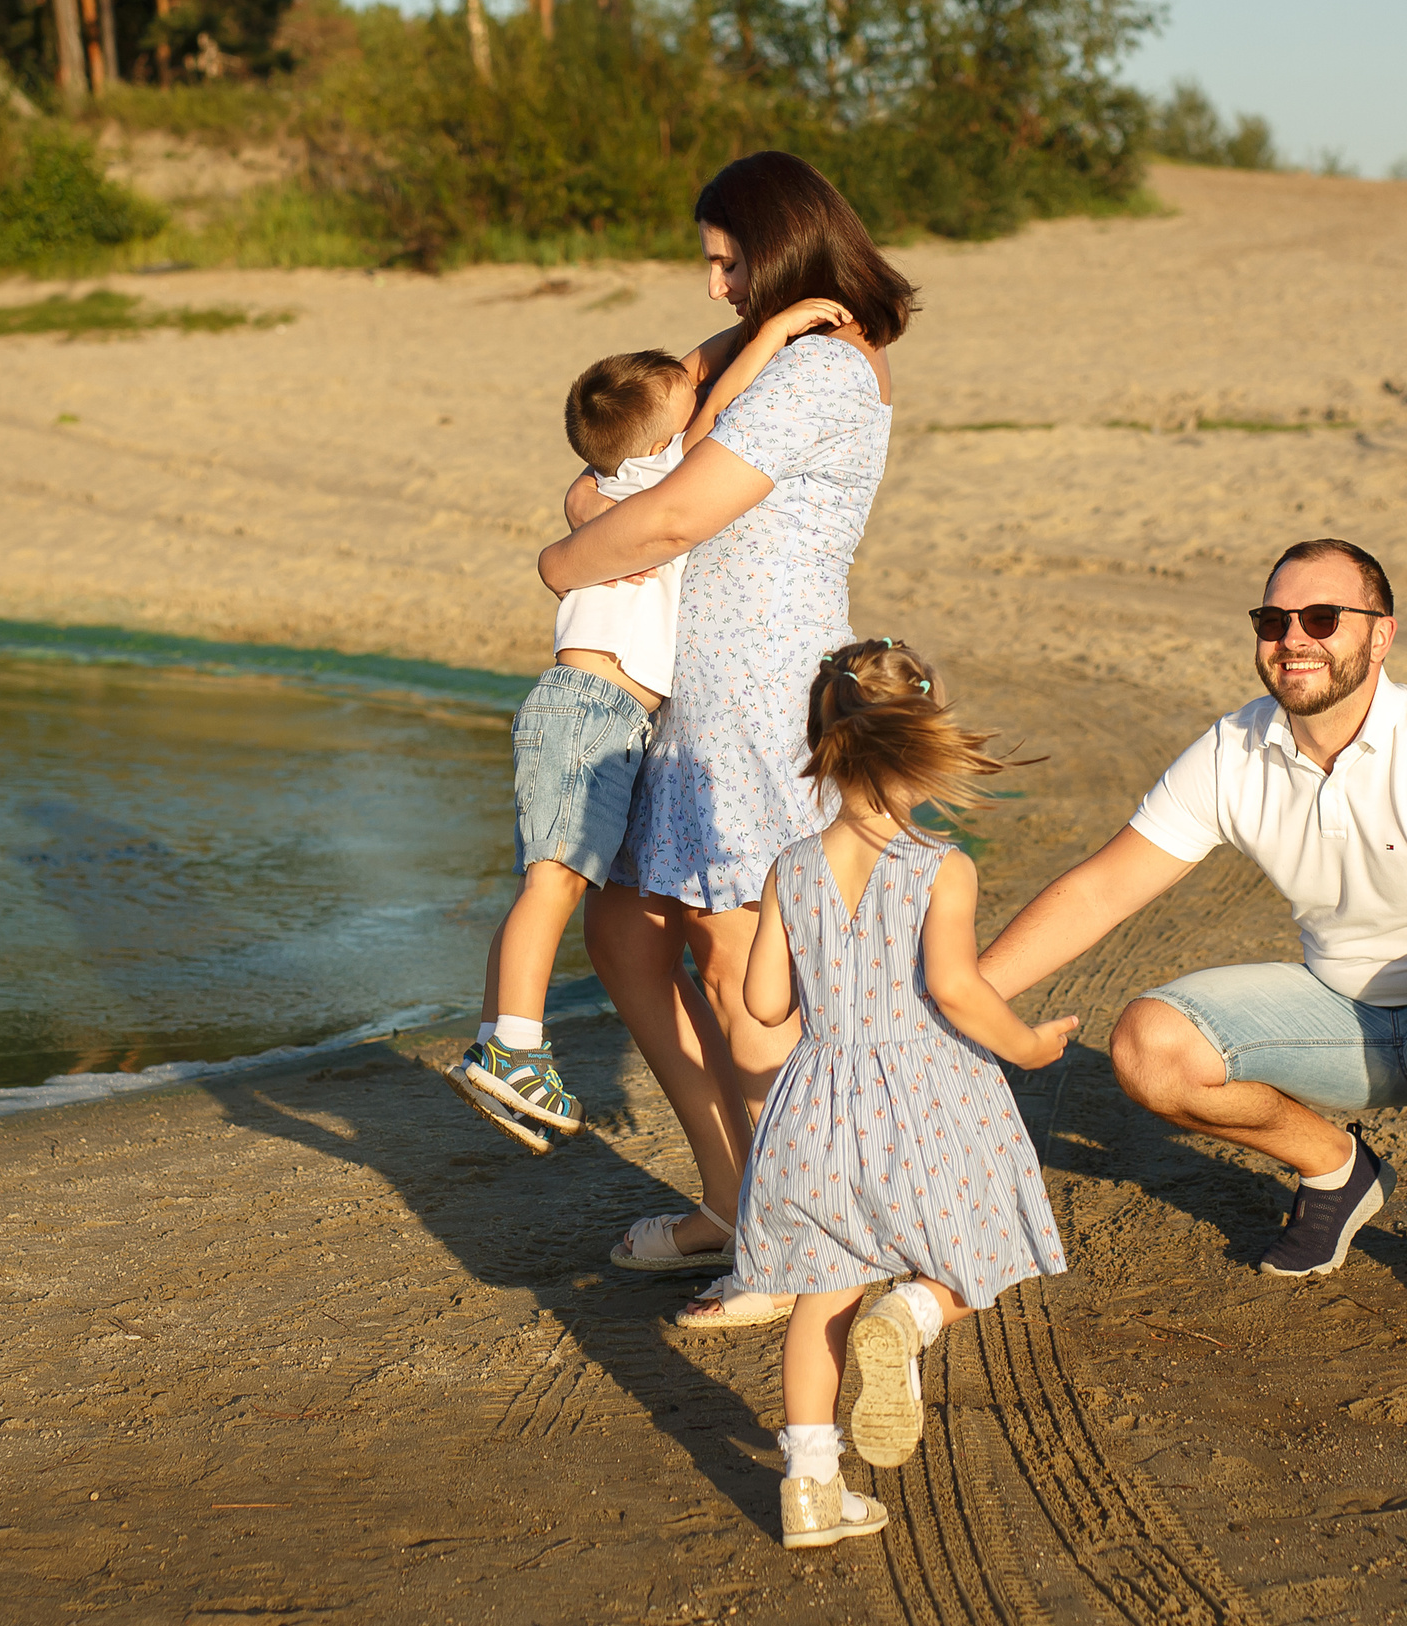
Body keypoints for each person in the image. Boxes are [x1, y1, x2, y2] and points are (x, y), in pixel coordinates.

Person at [977, 539, 1407, 1327]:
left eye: (1320, 617)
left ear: (1380, 636)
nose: (1292, 639)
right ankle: (1336, 1170)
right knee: (1147, 1046)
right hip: (1345, 1021)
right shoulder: (1232, 750)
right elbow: (1100, 888)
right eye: (1273, 620)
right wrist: (963, 997)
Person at [537, 152, 913, 1323]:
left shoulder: (827, 373)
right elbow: (634, 430)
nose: (709, 288)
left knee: (743, 963)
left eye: (724, 260)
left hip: (755, 692)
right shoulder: (781, 345)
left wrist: (562, 559)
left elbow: (678, 510)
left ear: (779, 243)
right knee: (624, 925)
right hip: (684, 691)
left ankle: (806, 1241)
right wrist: (595, 504)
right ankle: (736, 1195)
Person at [450, 308, 860, 1154]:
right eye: (683, 399)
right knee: (552, 884)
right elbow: (715, 398)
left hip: (590, 714)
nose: (695, 389)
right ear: (657, 441)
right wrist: (770, 332)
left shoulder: (606, 484)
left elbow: (679, 392)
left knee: (545, 881)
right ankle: (511, 1047)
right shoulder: (652, 481)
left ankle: (502, 1031)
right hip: (592, 714)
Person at [729, 640, 1078, 1547]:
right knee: (977, 1246)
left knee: (819, 1292)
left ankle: (809, 1491)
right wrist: (1032, 1046)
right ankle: (913, 1314)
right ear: (922, 738)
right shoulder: (939, 864)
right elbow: (957, 989)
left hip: (817, 1099)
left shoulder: (791, 867)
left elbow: (764, 1002)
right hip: (925, 1091)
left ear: (823, 741)